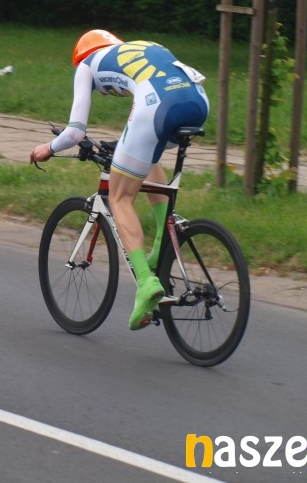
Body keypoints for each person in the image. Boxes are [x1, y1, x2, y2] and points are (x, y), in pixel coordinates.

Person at [30, 30, 209, 330]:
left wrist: (48, 149)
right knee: (146, 157)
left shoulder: (86, 64)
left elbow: (75, 132)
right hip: (198, 101)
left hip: (158, 105)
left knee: (120, 196)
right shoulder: (139, 47)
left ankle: (146, 283)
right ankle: (162, 242)